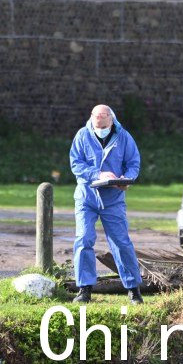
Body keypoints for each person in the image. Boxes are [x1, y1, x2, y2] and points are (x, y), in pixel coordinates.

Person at [69, 104, 144, 304]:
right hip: (87, 197)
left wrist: (125, 179)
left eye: (103, 124)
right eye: (96, 124)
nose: (99, 127)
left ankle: (133, 290)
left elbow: (133, 163)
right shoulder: (82, 135)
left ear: (112, 120)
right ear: (92, 119)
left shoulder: (124, 137)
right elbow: (76, 164)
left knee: (121, 242)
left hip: (113, 199)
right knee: (84, 239)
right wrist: (98, 174)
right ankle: (84, 289)